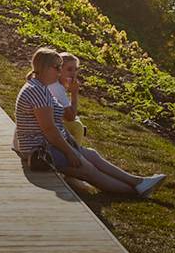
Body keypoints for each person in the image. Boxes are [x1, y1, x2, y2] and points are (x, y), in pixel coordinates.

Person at [14, 47, 166, 197]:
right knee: (90, 171)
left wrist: (69, 138)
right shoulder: (37, 92)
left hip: (49, 145)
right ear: (45, 68)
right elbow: (49, 129)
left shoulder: (42, 88)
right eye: (57, 67)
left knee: (92, 155)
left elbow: (55, 121)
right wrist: (69, 152)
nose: (60, 71)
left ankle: (139, 182)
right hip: (41, 151)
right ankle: (136, 192)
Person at [48, 52, 85, 144]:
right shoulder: (57, 88)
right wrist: (74, 93)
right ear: (59, 70)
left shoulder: (54, 84)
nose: (74, 74)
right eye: (69, 70)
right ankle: (77, 153)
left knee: (77, 122)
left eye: (75, 70)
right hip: (46, 129)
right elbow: (70, 116)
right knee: (77, 126)